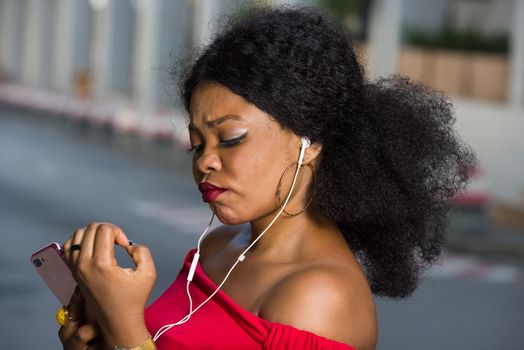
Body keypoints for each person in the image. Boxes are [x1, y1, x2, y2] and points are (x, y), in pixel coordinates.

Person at [57, 7, 476, 350]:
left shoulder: (322, 298)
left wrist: (124, 325)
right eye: (196, 143)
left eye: (231, 138)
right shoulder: (217, 245)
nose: (206, 161)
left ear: (310, 140)